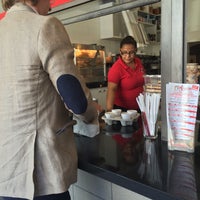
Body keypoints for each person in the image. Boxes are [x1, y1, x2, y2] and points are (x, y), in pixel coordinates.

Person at [0, 0, 100, 199]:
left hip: (5, 171)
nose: (51, 6)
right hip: (41, 170)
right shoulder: (45, 25)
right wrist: (93, 113)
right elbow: (76, 101)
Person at [106, 36, 145, 112]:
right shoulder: (116, 68)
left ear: (135, 51)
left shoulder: (138, 62)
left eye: (131, 52)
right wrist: (109, 112)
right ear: (120, 51)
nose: (128, 56)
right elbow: (111, 90)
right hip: (123, 111)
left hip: (140, 107)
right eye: (124, 52)